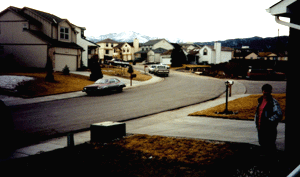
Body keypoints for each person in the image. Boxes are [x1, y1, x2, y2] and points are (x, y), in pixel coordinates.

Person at [254, 84, 282, 154]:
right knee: (262, 146)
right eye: (264, 91)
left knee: (270, 148)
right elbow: (257, 113)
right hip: (260, 129)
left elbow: (279, 114)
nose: (266, 92)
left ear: (270, 92)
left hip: (269, 131)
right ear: (262, 91)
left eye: (268, 91)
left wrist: (269, 121)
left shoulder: (273, 103)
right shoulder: (260, 101)